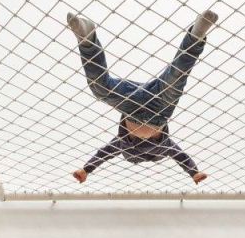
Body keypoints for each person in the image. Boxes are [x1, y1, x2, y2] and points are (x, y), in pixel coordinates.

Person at [67, 10, 217, 184]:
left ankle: (87, 39)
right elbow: (181, 156)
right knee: (177, 76)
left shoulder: (120, 144)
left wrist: (87, 169)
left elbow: (104, 153)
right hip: (159, 109)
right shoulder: (166, 147)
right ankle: (196, 35)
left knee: (100, 89)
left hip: (130, 106)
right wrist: (194, 172)